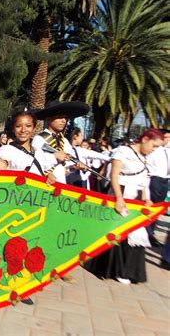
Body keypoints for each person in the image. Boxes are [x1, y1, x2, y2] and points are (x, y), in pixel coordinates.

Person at [84, 129, 164, 284]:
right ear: (145, 138)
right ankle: (116, 270)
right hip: (119, 195)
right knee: (119, 234)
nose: (153, 150)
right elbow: (114, 175)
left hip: (135, 200)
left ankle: (129, 270)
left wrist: (146, 199)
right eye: (153, 146)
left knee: (135, 234)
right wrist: (119, 198)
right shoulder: (123, 152)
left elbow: (144, 181)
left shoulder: (145, 158)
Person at [0, 108, 56, 305]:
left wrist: (50, 178)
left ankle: (23, 284)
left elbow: (46, 176)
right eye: (19, 126)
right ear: (13, 128)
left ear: (34, 127)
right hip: (12, 208)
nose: (23, 130)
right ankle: (10, 286)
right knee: (11, 247)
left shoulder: (40, 153)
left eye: (28, 126)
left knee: (29, 245)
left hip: (34, 208)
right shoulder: (6, 151)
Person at [31, 101, 89, 283]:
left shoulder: (64, 141)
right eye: (59, 117)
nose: (64, 120)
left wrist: (76, 165)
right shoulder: (39, 139)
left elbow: (67, 164)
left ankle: (57, 266)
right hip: (44, 187)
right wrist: (55, 157)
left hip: (61, 188)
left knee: (58, 228)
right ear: (49, 118)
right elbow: (37, 161)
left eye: (65, 117)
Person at [146, 129, 170, 246]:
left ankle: (152, 232)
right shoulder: (153, 151)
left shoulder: (167, 151)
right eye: (166, 138)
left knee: (158, 209)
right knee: (152, 207)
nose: (168, 140)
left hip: (165, 180)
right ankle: (148, 234)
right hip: (155, 179)